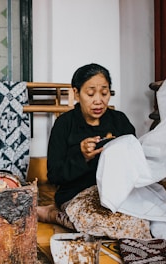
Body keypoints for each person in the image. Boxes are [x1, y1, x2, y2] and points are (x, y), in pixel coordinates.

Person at [37, 63, 136, 229]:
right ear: (76, 93)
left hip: (115, 193)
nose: (98, 100)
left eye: (104, 93)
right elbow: (54, 175)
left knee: (146, 221)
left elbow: (134, 162)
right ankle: (51, 214)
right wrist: (82, 157)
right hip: (75, 195)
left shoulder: (120, 121)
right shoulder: (64, 124)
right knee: (97, 225)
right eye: (90, 94)